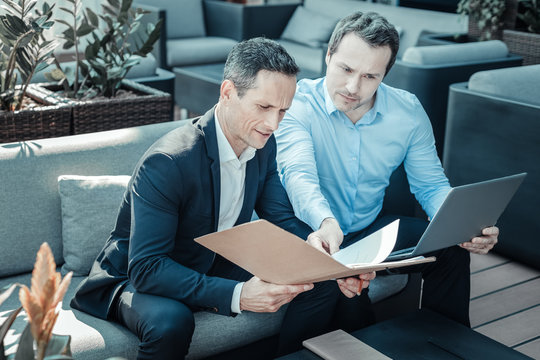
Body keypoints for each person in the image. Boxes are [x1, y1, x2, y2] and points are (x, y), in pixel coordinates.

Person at [70, 37, 373, 359]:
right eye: (264, 107)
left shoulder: (262, 144)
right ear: (228, 93)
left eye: (283, 110)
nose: (274, 123)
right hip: (134, 277)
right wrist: (239, 294)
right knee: (170, 322)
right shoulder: (169, 162)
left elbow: (281, 217)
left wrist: (332, 266)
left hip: (212, 260)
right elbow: (146, 267)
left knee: (320, 283)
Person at [275, 12, 499, 327]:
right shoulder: (297, 104)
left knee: (451, 250)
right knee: (338, 299)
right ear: (328, 55)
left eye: (370, 76)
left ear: (385, 74)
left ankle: (447, 345)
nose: (353, 87)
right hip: (311, 232)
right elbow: (298, 175)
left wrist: (465, 225)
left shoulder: (407, 112)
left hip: (370, 232)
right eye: (346, 69)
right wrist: (325, 222)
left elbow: (431, 185)